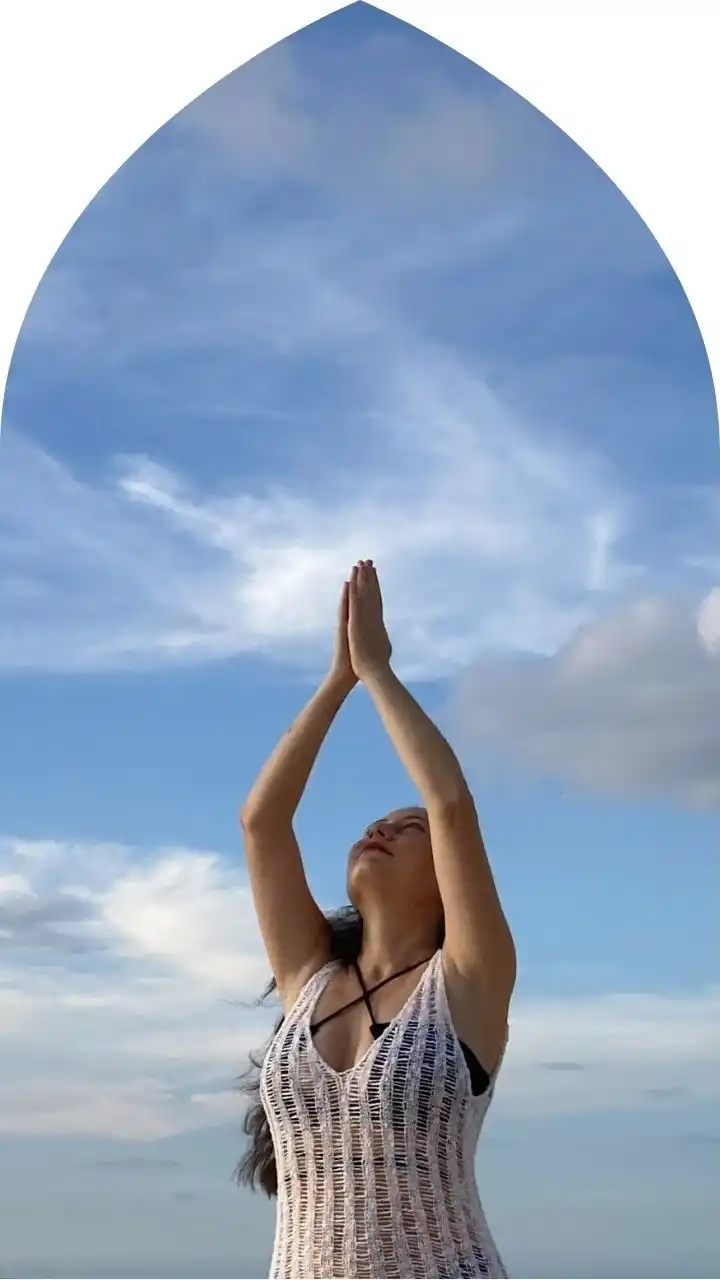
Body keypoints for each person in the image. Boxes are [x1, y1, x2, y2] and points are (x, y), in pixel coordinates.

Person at [237, 560, 516, 1280]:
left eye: (407, 828)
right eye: (374, 823)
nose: (380, 829)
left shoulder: (468, 981)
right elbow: (262, 822)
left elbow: (449, 803)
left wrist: (377, 671)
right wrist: (337, 681)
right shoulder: (309, 976)